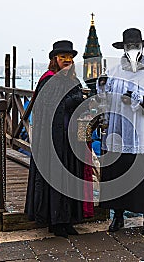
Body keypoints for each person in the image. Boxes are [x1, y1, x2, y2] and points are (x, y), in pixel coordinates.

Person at [97, 28, 144, 235]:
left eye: (135, 46)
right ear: (124, 48)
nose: (132, 49)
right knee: (118, 173)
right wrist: (103, 89)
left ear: (142, 47)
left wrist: (140, 100)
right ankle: (118, 216)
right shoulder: (112, 72)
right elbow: (104, 100)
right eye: (129, 46)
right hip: (119, 132)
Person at [25, 40, 90, 238]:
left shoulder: (73, 80)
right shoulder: (48, 79)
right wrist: (75, 101)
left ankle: (68, 220)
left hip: (71, 138)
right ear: (55, 59)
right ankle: (56, 222)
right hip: (53, 138)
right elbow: (49, 107)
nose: (67, 61)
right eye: (63, 57)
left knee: (70, 175)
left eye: (70, 58)